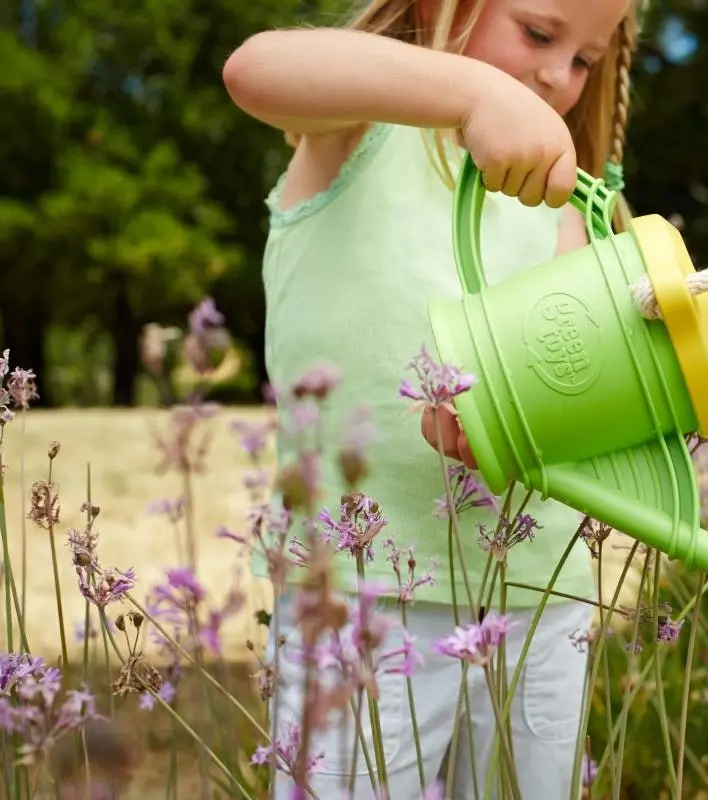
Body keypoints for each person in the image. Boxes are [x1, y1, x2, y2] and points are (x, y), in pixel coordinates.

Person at [222, 0, 639, 797]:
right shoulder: (360, 129)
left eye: (586, 60)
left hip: (538, 591)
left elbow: (579, 383)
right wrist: (473, 93)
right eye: (540, 33)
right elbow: (254, 71)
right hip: (356, 589)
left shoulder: (564, 202)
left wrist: (525, 426)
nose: (559, 77)